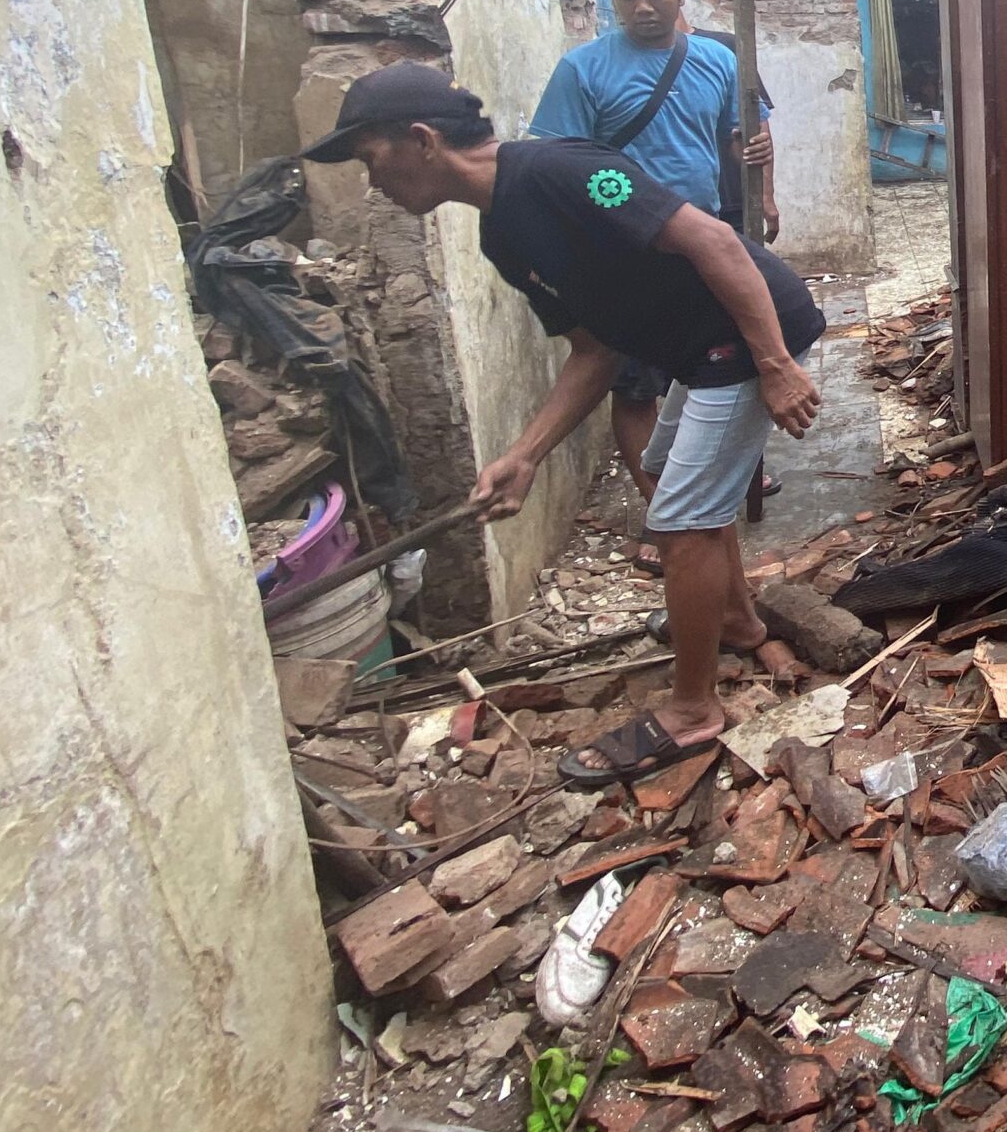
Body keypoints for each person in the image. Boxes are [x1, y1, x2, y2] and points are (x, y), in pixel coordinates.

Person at [304, 62, 823, 783]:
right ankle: (735, 623)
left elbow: (716, 243)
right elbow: (594, 349)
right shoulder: (502, 237)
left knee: (681, 523)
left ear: (422, 140)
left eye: (371, 160)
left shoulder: (559, 172)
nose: (374, 184)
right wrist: (526, 455)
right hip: (700, 348)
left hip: (743, 334)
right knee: (673, 485)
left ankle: (694, 711)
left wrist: (773, 363)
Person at [533, 0, 779, 519]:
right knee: (638, 383)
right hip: (625, 255)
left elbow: (740, 136)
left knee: (720, 363)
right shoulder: (582, 72)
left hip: (704, 244)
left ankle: (724, 483)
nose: (642, 8)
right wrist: (613, 212)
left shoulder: (718, 61)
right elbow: (557, 166)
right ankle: (665, 518)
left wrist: (760, 179)